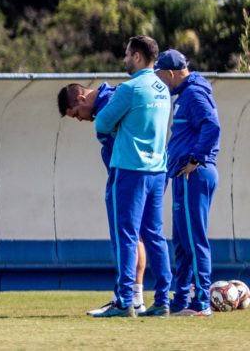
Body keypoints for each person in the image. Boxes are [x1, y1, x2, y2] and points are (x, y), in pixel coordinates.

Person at [94, 35, 172, 318]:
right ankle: (163, 300)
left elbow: (101, 121)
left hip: (131, 169)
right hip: (158, 170)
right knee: (155, 235)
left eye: (127, 54)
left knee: (126, 234)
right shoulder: (163, 89)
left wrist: (118, 126)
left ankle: (125, 300)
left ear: (138, 56)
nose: (124, 59)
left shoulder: (129, 89)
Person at [57, 83, 147, 315]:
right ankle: (135, 297)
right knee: (135, 237)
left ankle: (123, 298)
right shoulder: (110, 99)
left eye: (76, 113)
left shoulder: (110, 103)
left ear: (80, 98)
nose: (78, 119)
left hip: (125, 175)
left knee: (124, 238)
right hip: (132, 174)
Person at [154, 49, 220, 317]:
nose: (161, 84)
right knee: (181, 241)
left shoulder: (193, 94)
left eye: (161, 77)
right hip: (183, 176)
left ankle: (201, 302)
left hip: (194, 174)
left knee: (194, 240)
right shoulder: (186, 95)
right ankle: (181, 300)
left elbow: (212, 125)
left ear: (171, 73)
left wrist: (197, 158)